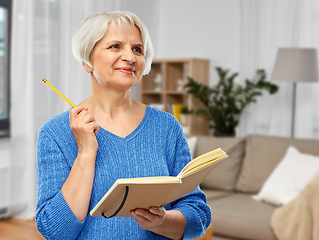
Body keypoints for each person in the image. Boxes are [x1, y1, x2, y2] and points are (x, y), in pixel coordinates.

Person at [35, 11, 211, 240]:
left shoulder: (167, 126)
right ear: (87, 61)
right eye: (116, 46)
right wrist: (86, 153)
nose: (130, 57)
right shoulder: (55, 133)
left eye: (137, 49)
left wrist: (162, 221)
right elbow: (56, 231)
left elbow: (198, 216)